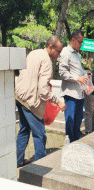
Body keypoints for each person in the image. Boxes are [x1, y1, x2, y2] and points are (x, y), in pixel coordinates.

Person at [15, 35, 67, 168]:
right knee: (40, 135)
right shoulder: (47, 61)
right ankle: (39, 168)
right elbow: (43, 90)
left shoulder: (33, 53)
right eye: (58, 51)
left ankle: (18, 161)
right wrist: (58, 101)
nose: (59, 55)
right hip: (31, 102)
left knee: (24, 130)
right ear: (51, 47)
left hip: (20, 97)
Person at [58, 29, 88, 142]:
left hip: (79, 94)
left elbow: (79, 71)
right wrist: (77, 78)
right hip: (70, 94)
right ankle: (69, 145)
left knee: (78, 122)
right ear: (73, 40)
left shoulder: (78, 54)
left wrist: (86, 74)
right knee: (70, 122)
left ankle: (76, 144)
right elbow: (62, 72)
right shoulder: (66, 52)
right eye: (80, 42)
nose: (81, 44)